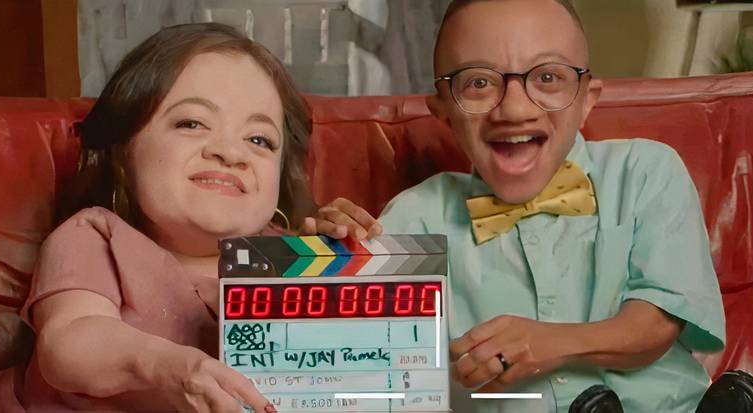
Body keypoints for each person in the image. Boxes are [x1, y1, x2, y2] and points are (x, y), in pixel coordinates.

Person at [307, 0, 726, 412]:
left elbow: (656, 325)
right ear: (443, 112)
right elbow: (352, 357)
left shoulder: (646, 170)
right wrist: (325, 260)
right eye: (478, 83)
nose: (514, 108)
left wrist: (552, 343)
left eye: (547, 76)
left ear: (586, 100)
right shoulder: (415, 217)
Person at [0, 22, 311, 413]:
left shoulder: (290, 256)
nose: (231, 152)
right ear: (123, 148)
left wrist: (350, 250)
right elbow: (71, 344)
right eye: (191, 123)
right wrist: (169, 367)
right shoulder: (97, 237)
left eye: (259, 140)